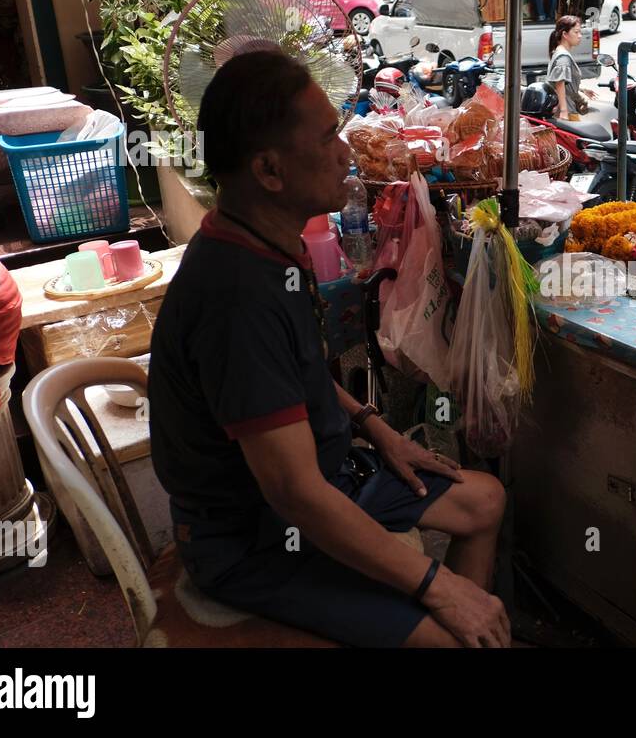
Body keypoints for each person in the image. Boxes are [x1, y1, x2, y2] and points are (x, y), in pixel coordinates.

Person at [148, 51, 510, 648]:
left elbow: (296, 375)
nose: (345, 151)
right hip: (258, 536)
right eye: (326, 137)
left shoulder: (267, 243)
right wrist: (442, 589)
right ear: (269, 170)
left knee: (484, 500)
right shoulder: (237, 297)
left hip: (328, 476)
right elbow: (294, 492)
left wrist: (375, 425)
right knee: (444, 628)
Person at [548, 16, 596, 121]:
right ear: (565, 34)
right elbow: (559, 83)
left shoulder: (559, 52)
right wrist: (564, 112)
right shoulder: (563, 57)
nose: (580, 36)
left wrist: (581, 89)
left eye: (580, 32)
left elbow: (564, 83)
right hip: (567, 113)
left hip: (566, 110)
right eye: (576, 32)